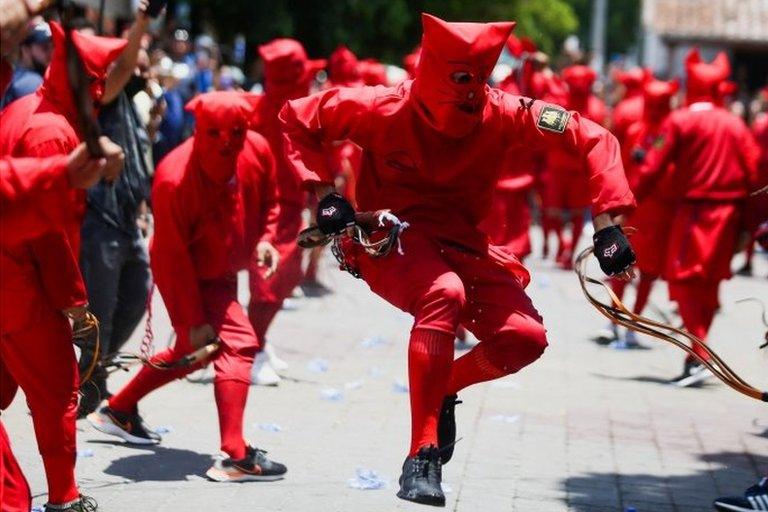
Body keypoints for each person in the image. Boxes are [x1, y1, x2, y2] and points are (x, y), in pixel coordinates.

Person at [279, 13, 636, 506]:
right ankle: (420, 456)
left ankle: (441, 386)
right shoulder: (380, 107)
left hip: (462, 245)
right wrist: (323, 194)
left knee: (524, 338)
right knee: (441, 292)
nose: (467, 98)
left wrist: (607, 225)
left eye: (476, 84)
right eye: (456, 84)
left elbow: (593, 135)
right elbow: (298, 118)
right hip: (389, 238)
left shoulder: (504, 110)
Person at [88, 91, 287, 483]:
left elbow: (271, 201)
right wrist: (190, 316)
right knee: (239, 343)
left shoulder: (258, 150)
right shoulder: (174, 177)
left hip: (222, 273)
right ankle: (235, 454)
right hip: (189, 276)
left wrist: (265, 239)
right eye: (215, 136)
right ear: (199, 131)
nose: (226, 145)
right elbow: (170, 256)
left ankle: (118, 411)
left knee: (192, 352)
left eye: (236, 135)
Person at [0, 20, 127, 512]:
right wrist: (73, 304)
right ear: (92, 84)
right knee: (56, 391)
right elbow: (49, 234)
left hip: (12, 278)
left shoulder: (27, 107)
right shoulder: (54, 130)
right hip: (22, 286)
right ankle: (63, 497)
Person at [633, 49, 763, 387]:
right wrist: (749, 225)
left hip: (694, 213)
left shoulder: (681, 121)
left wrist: (625, 203)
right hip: (730, 214)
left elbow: (652, 167)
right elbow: (755, 175)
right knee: (707, 286)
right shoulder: (736, 125)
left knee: (683, 279)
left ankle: (701, 356)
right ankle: (695, 356)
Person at [77, 0, 161, 418]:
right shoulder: (97, 94)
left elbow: (139, 160)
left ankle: (91, 376)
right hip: (100, 223)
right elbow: (124, 68)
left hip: (128, 221)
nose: (141, 71)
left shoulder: (128, 102)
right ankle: (82, 390)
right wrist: (143, 20)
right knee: (101, 315)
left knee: (133, 300)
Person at [245, 39, 325, 386]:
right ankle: (250, 349)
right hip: (267, 211)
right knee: (269, 283)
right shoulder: (264, 112)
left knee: (287, 279)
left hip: (290, 207)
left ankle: (257, 342)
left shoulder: (293, 108)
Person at [599, 78, 679, 347]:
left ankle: (622, 322)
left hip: (645, 207)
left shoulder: (664, 131)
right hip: (645, 208)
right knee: (638, 268)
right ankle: (624, 322)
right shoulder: (663, 131)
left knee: (635, 267)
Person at [542, 64, 609, 269]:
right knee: (559, 211)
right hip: (564, 167)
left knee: (571, 212)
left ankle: (567, 246)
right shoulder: (593, 107)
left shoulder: (593, 108)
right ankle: (565, 244)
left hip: (573, 168)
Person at [1, 20, 51, 107]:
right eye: (45, 47)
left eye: (53, 46)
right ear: (25, 50)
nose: (50, 53)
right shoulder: (31, 82)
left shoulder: (16, 76)